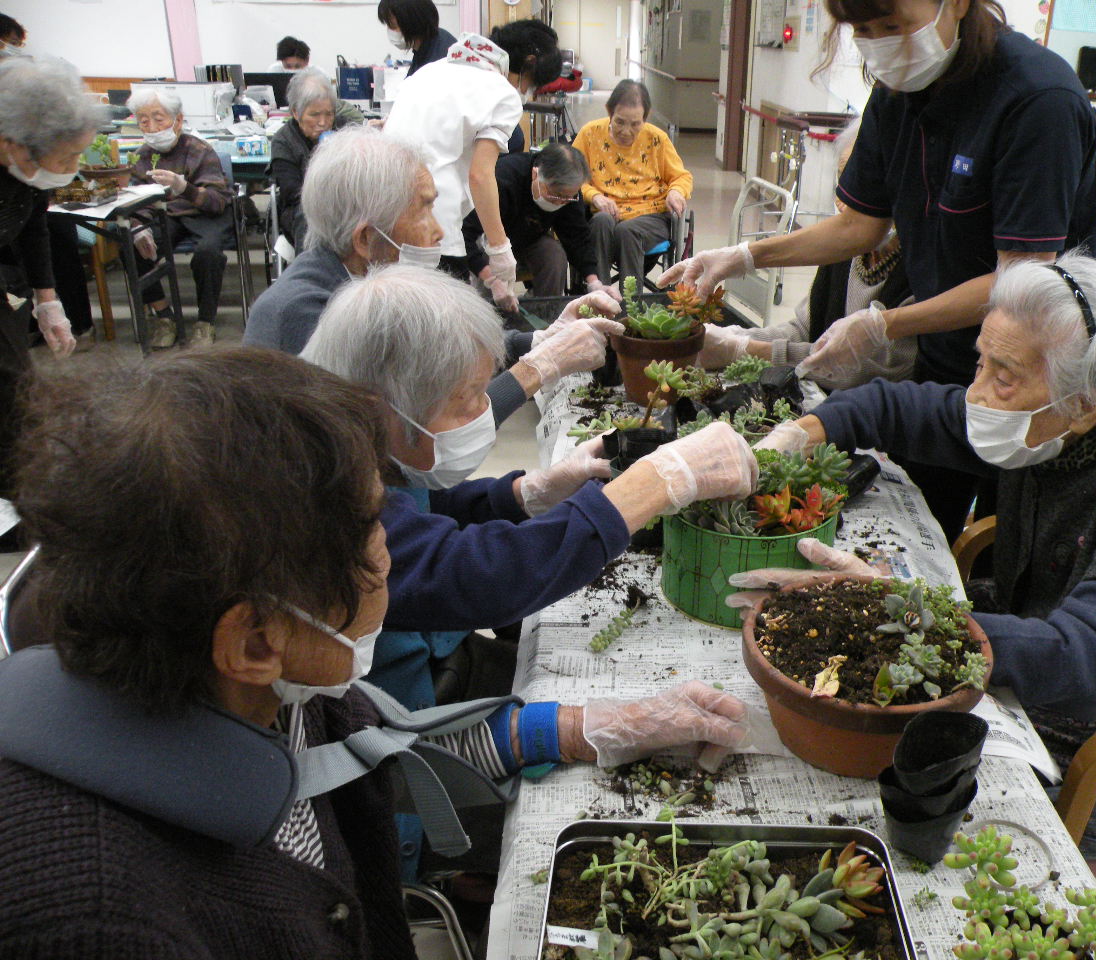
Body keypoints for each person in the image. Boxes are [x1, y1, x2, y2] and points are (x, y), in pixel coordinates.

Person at [0, 347, 750, 957]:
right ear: (254, 640)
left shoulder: (249, 684)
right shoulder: (95, 919)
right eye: (374, 533)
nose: (396, 552)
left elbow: (368, 756)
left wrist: (580, 728)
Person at [736, 253, 1096, 856]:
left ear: (1085, 405)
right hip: (1050, 617)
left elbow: (1087, 662)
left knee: (906, 770)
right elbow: (892, 407)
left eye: (1003, 376)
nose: (977, 394)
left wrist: (904, 609)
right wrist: (797, 435)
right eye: (979, 363)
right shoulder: (1048, 424)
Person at [661, 0, 1096, 541]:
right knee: (922, 517)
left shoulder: (1037, 99)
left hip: (1033, 370)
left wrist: (884, 323)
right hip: (944, 354)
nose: (880, 44)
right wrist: (744, 256)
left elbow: (1022, 280)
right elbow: (859, 226)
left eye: (892, 26)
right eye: (863, 30)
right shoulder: (900, 93)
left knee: (1010, 534)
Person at [301, 263, 760, 711]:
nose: (485, 413)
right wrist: (656, 483)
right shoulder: (329, 501)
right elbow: (478, 577)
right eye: (466, 402)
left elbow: (424, 509)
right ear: (379, 409)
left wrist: (526, 493)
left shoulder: (358, 449)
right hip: (396, 714)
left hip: (442, 653)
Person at [246, 126, 614, 427]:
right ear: (366, 238)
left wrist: (540, 340)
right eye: (423, 210)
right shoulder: (305, 315)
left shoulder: (366, 284)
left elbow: (446, 343)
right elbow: (420, 438)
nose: (439, 231)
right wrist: (537, 369)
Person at [697, 121, 914, 390]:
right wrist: (734, 336)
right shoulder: (844, 248)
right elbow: (803, 329)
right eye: (842, 180)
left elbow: (867, 371)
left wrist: (741, 350)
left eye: (863, 186)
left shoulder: (921, 268)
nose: (844, 202)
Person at [381, 19, 561, 285]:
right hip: (433, 218)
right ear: (529, 64)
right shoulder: (502, 93)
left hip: (386, 217)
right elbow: (480, 175)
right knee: (444, 306)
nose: (529, 93)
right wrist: (499, 247)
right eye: (533, 85)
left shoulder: (431, 70)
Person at [0, 57, 92, 490]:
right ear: (15, 146)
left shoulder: (27, 171)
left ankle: (19, 486)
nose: (74, 164)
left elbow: (34, 227)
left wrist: (47, 300)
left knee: (15, 385)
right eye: (68, 155)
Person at [127, 88, 233, 349]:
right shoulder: (141, 156)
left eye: (158, 118)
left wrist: (183, 187)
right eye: (143, 121)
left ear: (178, 120)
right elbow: (138, 200)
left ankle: (205, 321)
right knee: (131, 244)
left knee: (208, 252)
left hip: (205, 215)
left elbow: (216, 203)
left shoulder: (199, 150)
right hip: (167, 215)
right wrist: (138, 226)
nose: (152, 127)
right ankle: (164, 316)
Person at [460, 142, 614, 310]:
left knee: (553, 255)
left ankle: (547, 312)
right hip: (489, 241)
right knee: (492, 270)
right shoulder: (505, 178)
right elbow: (464, 235)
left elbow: (577, 237)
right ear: (536, 174)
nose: (560, 202)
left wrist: (594, 282)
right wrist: (491, 280)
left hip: (529, 240)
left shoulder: (569, 195)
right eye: (555, 195)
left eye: (567, 198)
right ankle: (489, 313)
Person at [572, 79, 692, 289]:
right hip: (605, 213)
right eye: (619, 122)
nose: (626, 131)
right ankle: (599, 297)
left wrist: (675, 191)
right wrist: (594, 196)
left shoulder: (657, 139)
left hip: (650, 217)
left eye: (635, 124)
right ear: (609, 111)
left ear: (645, 117)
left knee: (627, 231)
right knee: (600, 222)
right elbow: (572, 177)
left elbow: (681, 177)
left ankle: (631, 303)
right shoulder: (590, 134)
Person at [270, 68, 364, 248]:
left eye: (329, 114)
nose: (323, 122)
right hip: (303, 209)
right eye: (314, 115)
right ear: (296, 112)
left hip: (345, 205)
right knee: (307, 220)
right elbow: (293, 193)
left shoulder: (344, 128)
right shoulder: (283, 141)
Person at [378, 0, 456, 75]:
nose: (390, 31)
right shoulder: (424, 47)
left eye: (393, 26)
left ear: (412, 22)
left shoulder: (440, 58)